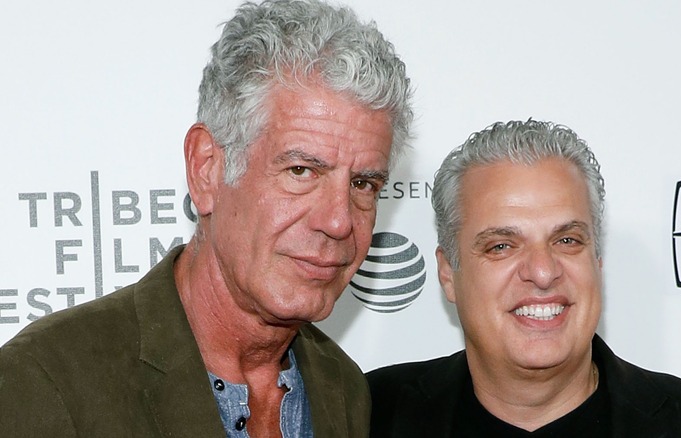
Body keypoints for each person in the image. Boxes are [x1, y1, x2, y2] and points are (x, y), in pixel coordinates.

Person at [0, 1, 412, 436]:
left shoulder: (343, 388)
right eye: (301, 171)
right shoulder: (50, 381)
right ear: (207, 169)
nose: (338, 221)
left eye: (363, 184)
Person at [367, 119, 681, 437]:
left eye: (567, 240)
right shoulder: (360, 419)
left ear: (597, 261)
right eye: (501, 246)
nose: (543, 272)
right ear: (448, 273)